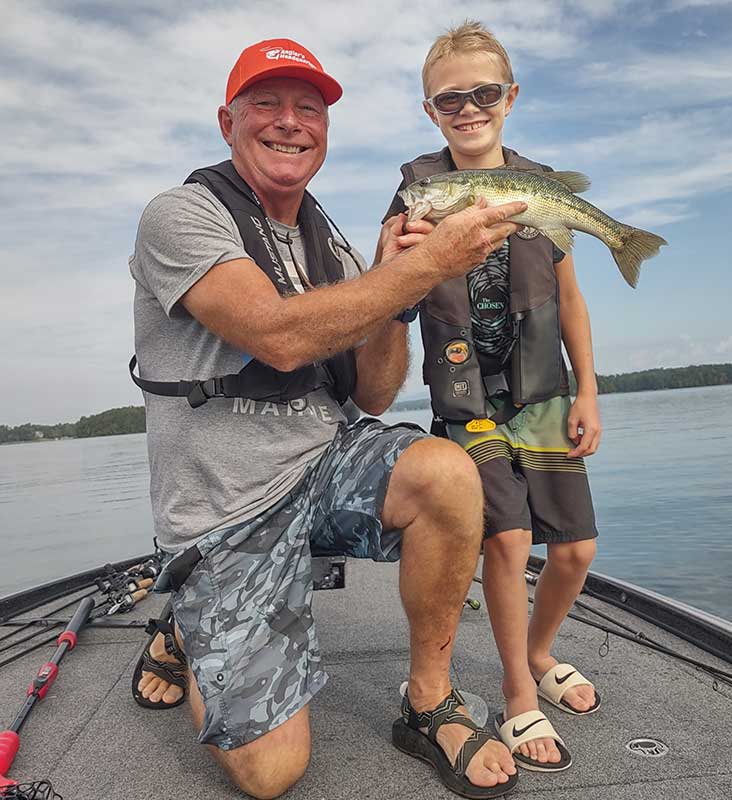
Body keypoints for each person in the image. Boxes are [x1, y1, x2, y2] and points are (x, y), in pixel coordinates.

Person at [128, 37, 527, 799]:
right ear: (227, 122)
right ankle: (185, 618)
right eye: (266, 105)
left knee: (446, 470)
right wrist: (426, 266)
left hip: (320, 465)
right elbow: (278, 337)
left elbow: (374, 396)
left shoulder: (333, 243)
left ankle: (428, 700)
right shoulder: (179, 216)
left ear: (325, 131)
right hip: (227, 511)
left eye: (307, 108)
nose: (289, 122)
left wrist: (394, 295)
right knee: (273, 775)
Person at [383, 21, 602, 773]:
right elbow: (390, 286)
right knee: (508, 541)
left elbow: (568, 300)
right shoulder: (416, 191)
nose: (469, 108)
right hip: (468, 397)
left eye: (483, 93)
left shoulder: (539, 186)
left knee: (575, 550)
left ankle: (541, 651)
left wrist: (590, 393)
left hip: (545, 394)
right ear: (430, 110)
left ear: (509, 98)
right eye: (451, 99)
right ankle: (516, 692)